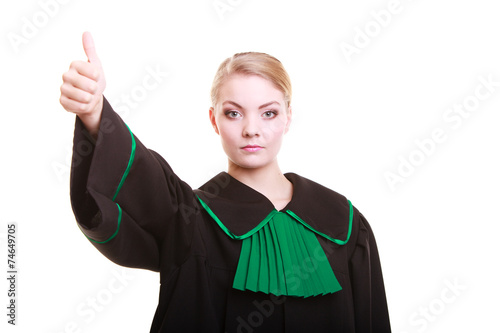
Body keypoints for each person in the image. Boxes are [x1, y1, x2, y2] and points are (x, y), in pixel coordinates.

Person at [60, 32, 391, 332]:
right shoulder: (190, 219)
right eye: (233, 112)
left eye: (269, 113)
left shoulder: (344, 223)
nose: (251, 129)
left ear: (289, 117)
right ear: (213, 119)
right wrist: (95, 113)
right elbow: (141, 181)